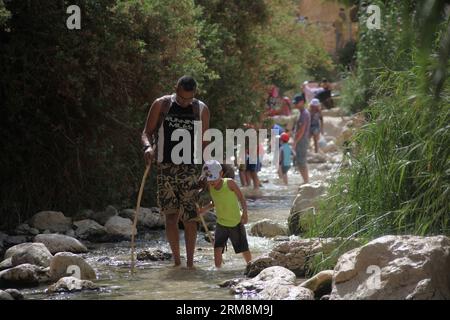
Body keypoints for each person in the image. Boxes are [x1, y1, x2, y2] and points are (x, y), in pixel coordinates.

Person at [141, 75, 210, 269]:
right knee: (171, 217)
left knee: (190, 216)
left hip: (190, 168)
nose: (185, 102)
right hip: (165, 168)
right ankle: (177, 261)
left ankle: (190, 263)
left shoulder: (201, 109)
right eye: (181, 98)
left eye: (189, 98)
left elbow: (205, 142)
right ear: (175, 90)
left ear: (194, 94)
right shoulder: (161, 104)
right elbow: (147, 132)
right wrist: (147, 147)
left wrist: (207, 169)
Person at [197, 160, 252, 268]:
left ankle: (251, 265)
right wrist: (204, 209)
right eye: (209, 179)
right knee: (217, 248)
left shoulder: (229, 183)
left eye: (213, 179)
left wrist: (245, 214)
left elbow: (241, 198)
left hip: (235, 222)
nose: (211, 182)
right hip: (221, 223)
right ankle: (218, 271)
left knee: (243, 248)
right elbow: (215, 202)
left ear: (221, 174)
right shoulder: (210, 186)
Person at [292, 94, 310, 184]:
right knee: (300, 162)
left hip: (302, 140)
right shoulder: (302, 113)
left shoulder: (304, 114)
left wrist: (295, 142)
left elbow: (302, 130)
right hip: (301, 139)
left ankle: (306, 182)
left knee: (301, 162)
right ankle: (305, 181)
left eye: (296, 103)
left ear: (302, 102)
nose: (295, 105)